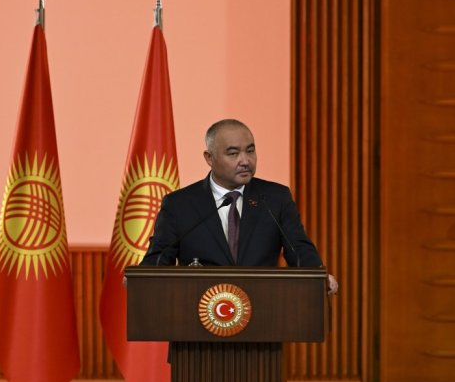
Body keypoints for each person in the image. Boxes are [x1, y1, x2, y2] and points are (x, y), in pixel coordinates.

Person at [140, 118, 338, 294]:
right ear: (209, 158)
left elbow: (298, 248)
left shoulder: (275, 198)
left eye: (250, 150)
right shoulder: (179, 204)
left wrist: (317, 276)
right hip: (198, 320)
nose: (245, 161)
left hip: (264, 317)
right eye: (233, 153)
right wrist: (141, 278)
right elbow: (158, 258)